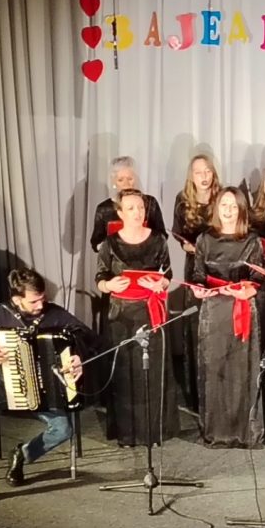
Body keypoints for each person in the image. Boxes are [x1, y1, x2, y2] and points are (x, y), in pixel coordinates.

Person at [0, 268, 95, 507]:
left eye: (43, 298)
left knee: (64, 429)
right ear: (16, 299)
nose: (41, 305)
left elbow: (89, 337)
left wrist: (79, 357)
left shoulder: (55, 314)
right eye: (34, 301)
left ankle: (22, 453)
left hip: (47, 390)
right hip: (7, 384)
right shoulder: (1, 314)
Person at [96, 188, 178, 445]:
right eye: (131, 208)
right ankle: (127, 431)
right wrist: (109, 285)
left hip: (150, 310)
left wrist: (161, 284)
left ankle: (153, 430)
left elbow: (167, 275)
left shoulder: (158, 240)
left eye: (141, 207)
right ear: (120, 213)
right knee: (125, 370)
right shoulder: (110, 243)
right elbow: (100, 278)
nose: (137, 212)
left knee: (151, 370)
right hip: (121, 314)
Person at [191, 187, 265, 447]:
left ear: (242, 210)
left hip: (241, 308)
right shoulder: (204, 239)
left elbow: (257, 278)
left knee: (241, 368)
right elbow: (198, 275)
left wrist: (249, 290)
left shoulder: (252, 240)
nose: (229, 210)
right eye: (224, 204)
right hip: (214, 310)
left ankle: (244, 431)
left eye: (234, 206)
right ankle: (216, 431)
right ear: (216, 208)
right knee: (214, 367)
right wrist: (198, 289)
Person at [171, 154, 221, 410]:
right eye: (198, 172)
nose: (203, 176)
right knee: (195, 325)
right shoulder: (183, 199)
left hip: (219, 266)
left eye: (207, 171)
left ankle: (218, 389)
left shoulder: (223, 197)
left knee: (218, 325)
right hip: (195, 268)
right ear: (191, 176)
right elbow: (177, 232)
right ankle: (196, 395)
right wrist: (186, 245)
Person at [89, 155, 166, 252]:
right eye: (120, 180)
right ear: (113, 181)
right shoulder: (104, 208)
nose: (126, 184)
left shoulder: (150, 203)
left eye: (130, 179)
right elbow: (96, 242)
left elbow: (162, 236)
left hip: (145, 258)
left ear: (135, 178)